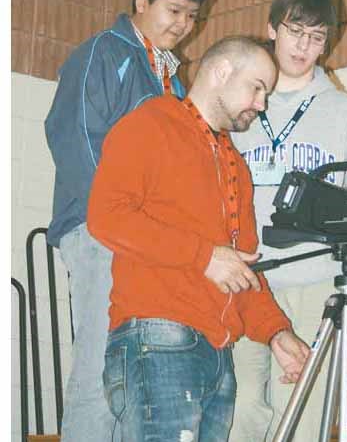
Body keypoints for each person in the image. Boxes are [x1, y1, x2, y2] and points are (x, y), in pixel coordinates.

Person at [86, 36, 309, 442]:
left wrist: (277, 331)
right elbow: (105, 217)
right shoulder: (148, 124)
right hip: (158, 342)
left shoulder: (236, 166)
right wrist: (204, 256)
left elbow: (240, 268)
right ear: (222, 72)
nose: (261, 104)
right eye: (257, 87)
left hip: (217, 356)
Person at [44, 0, 206, 441]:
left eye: (193, 16)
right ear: (141, 1)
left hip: (145, 244)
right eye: (174, 11)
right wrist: (120, 222)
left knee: (132, 376)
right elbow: (75, 138)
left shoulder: (173, 80)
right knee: (97, 373)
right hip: (102, 235)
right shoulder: (103, 53)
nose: (184, 25)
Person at [230, 0, 347, 441]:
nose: (304, 46)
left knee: (302, 411)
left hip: (316, 281)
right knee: (241, 411)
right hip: (246, 277)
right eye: (296, 31)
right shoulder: (241, 104)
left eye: (317, 37)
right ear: (272, 29)